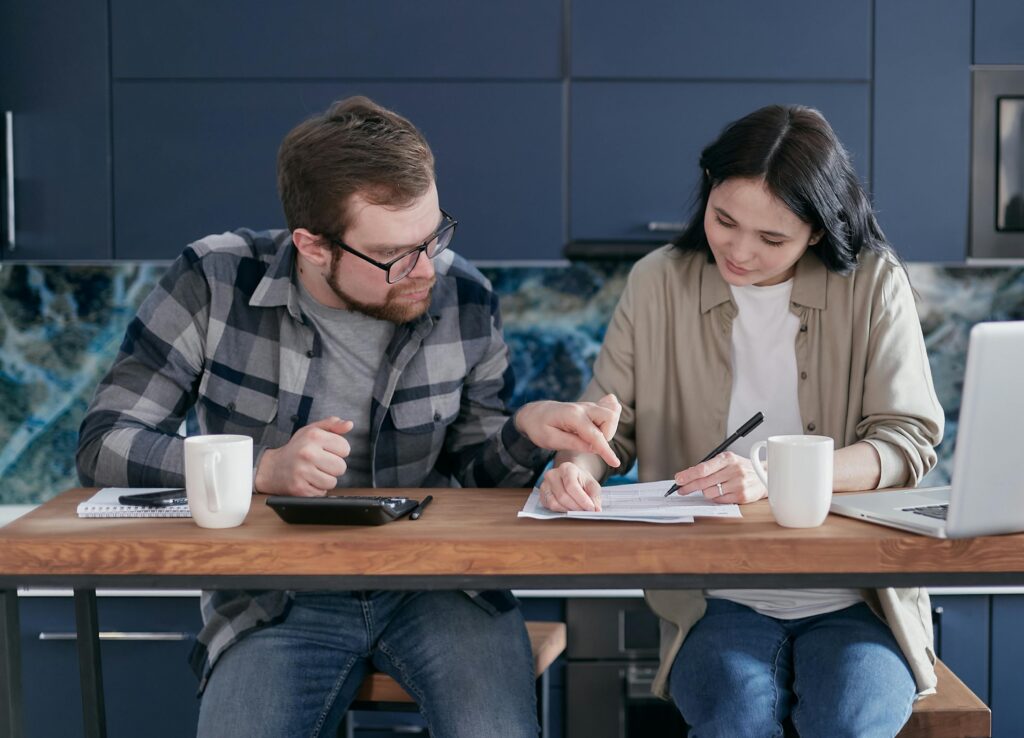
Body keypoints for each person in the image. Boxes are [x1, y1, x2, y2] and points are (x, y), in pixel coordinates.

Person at [77, 96, 621, 738]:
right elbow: (104, 446)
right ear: (312, 244)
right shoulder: (214, 280)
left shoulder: (464, 294)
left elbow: (478, 478)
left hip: (440, 586)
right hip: (273, 597)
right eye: (395, 254)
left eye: (434, 237)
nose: (427, 268)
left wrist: (527, 429)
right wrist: (263, 468)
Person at [539, 105, 944, 736]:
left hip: (860, 595)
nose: (740, 251)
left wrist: (776, 475)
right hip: (716, 595)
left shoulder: (874, 284)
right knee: (735, 722)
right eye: (724, 220)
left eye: (773, 239)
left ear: (817, 231)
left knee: (850, 723)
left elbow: (907, 442)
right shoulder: (657, 283)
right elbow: (605, 426)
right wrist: (574, 467)